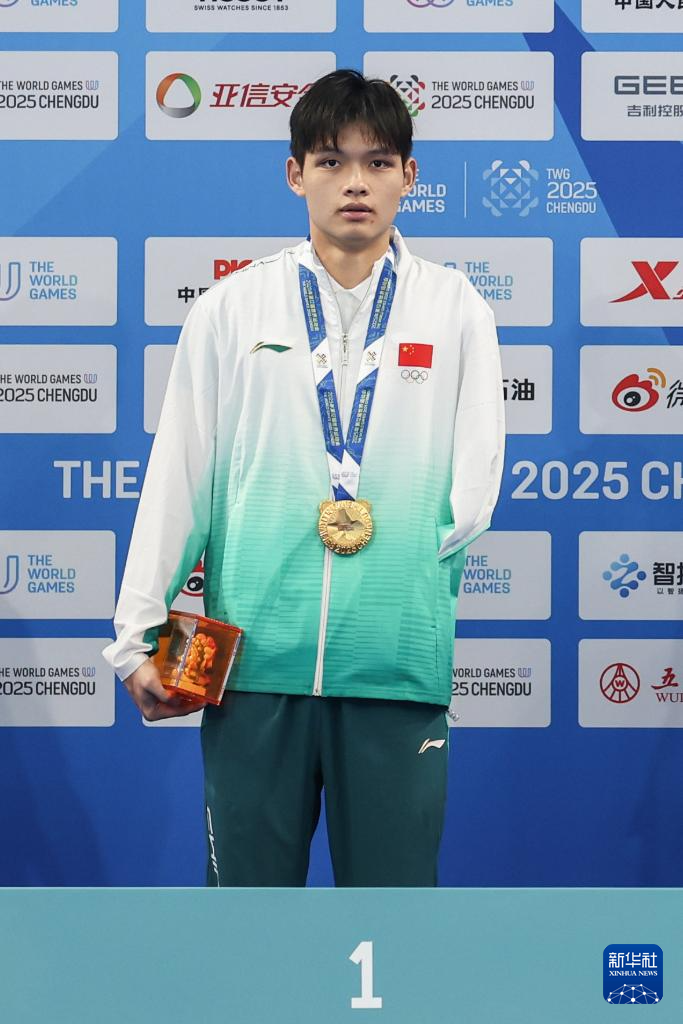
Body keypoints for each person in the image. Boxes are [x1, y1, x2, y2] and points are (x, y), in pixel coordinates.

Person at [103, 69, 505, 887]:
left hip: (394, 664)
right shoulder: (230, 308)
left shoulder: (456, 308)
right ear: (295, 174)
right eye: (331, 161)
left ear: (408, 176)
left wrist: (402, 575)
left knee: (391, 918)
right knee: (247, 921)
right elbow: (179, 478)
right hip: (250, 667)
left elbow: (475, 486)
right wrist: (137, 635)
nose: (355, 182)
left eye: (377, 162)